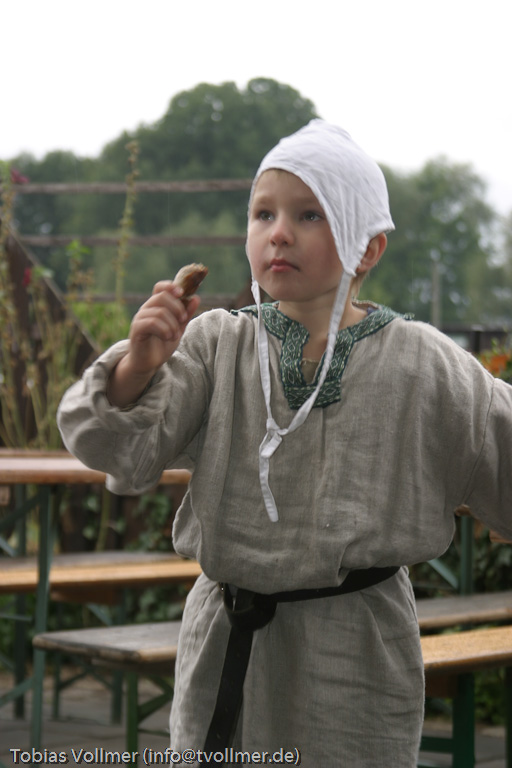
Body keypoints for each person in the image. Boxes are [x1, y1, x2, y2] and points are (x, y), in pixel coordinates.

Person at [57, 120, 512, 767]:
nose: (279, 232)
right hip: (223, 647)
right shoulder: (217, 344)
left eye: (309, 215)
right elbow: (114, 447)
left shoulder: (424, 363)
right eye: (263, 213)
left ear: (368, 247)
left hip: (352, 660)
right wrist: (138, 365)